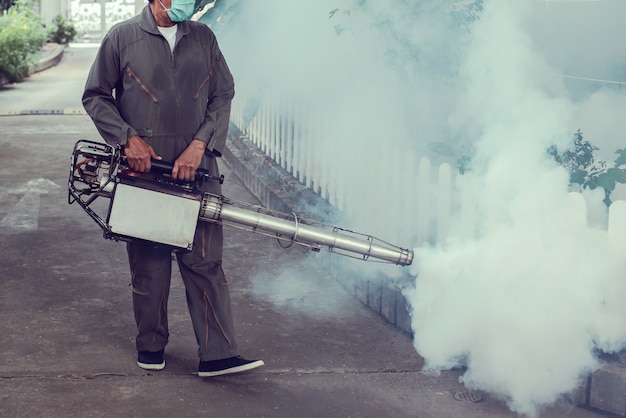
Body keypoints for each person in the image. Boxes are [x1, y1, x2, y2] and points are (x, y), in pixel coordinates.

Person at [82, 0, 264, 377]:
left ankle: (219, 354)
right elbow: (96, 95)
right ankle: (150, 344)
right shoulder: (123, 38)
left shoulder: (203, 38)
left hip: (196, 168)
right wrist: (127, 139)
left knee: (205, 260)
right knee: (150, 262)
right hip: (145, 168)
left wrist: (200, 145)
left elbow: (223, 93)